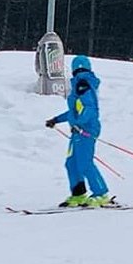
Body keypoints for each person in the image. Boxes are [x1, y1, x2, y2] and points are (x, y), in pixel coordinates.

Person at [45, 55, 113, 207]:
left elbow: (90, 109)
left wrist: (79, 124)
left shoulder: (83, 83)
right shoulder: (79, 84)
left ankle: (101, 194)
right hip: (78, 130)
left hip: (86, 130)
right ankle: (79, 193)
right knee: (71, 163)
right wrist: (56, 120)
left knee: (84, 163)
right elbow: (74, 111)